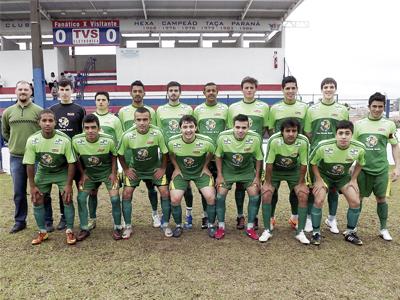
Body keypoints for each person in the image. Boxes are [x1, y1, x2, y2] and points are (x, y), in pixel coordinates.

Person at [23, 109, 77, 245]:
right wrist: (32, 186)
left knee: (67, 198)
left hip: (61, 171)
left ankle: (69, 230)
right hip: (43, 172)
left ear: (55, 123)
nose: (47, 123)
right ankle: (42, 231)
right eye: (44, 121)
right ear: (39, 123)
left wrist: (69, 184)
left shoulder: (64, 139)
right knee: (36, 199)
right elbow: (29, 164)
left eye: (50, 121)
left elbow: (71, 162)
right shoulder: (32, 140)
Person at [304, 78, 349, 234]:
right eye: (325, 87)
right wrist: (319, 146)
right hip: (317, 155)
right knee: (313, 187)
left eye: (331, 87)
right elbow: (308, 132)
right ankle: (309, 218)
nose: (328, 89)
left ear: (335, 89)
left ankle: (331, 219)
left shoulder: (342, 110)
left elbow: (345, 131)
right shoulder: (312, 109)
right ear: (321, 89)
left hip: (336, 155)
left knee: (334, 188)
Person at [118, 107, 171, 239]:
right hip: (136, 170)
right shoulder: (127, 135)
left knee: (165, 192)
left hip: (154, 169)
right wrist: (126, 169)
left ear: (150, 120)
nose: (142, 122)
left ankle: (165, 224)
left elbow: (165, 152)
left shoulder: (158, 133)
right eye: (139, 120)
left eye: (145, 119)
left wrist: (163, 168)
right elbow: (119, 154)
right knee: (126, 194)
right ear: (134, 121)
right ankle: (128, 226)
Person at [309, 120, 365, 245]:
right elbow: (312, 162)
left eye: (347, 133)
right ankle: (316, 233)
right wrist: (318, 180)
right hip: (325, 177)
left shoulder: (359, 148)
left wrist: (354, 179)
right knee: (319, 200)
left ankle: (350, 233)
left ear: (352, 135)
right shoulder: (323, 146)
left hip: (342, 178)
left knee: (355, 201)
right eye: (340, 133)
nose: (344, 136)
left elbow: (360, 163)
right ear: (336, 134)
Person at [354, 92, 400, 241]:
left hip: (381, 169)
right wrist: (351, 165)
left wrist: (397, 167)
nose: (377, 109)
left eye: (380, 106)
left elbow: (394, 146)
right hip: (363, 169)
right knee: (358, 198)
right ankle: (353, 227)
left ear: (383, 107)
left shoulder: (389, 125)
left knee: (381, 199)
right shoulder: (359, 125)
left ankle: (383, 228)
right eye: (374, 106)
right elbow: (352, 147)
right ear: (369, 107)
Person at [227, 76, 269, 230]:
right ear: (242, 89)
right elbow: (230, 129)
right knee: (239, 185)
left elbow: (266, 128)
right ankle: (240, 216)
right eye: (246, 87)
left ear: (255, 89)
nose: (249, 90)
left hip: (254, 152)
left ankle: (254, 216)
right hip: (238, 153)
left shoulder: (264, 107)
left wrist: (253, 142)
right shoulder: (233, 108)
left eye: (252, 87)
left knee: (255, 185)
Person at [267, 75, 308, 231]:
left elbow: (306, 132)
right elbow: (271, 130)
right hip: (277, 158)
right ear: (282, 90)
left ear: (297, 89)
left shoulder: (304, 108)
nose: (290, 91)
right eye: (287, 88)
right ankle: (270, 218)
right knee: (273, 189)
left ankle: (295, 218)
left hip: (297, 157)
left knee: (296, 189)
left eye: (293, 88)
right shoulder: (275, 108)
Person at [118, 80, 161, 228]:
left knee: (151, 187)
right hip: (131, 160)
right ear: (130, 93)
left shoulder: (151, 111)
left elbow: (154, 132)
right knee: (127, 191)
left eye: (140, 91)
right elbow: (122, 136)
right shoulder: (123, 111)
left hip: (149, 159)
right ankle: (126, 220)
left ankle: (155, 214)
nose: (137, 94)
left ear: (144, 93)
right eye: (134, 91)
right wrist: (124, 168)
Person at [73, 114, 122, 241]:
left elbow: (114, 155)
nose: (90, 131)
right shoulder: (76, 140)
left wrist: (113, 173)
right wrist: (82, 173)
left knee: (115, 199)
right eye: (87, 128)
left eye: (93, 127)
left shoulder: (109, 139)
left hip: (107, 173)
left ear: (99, 128)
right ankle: (86, 226)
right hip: (89, 174)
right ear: (83, 128)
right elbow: (76, 158)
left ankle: (117, 227)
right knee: (81, 198)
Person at [1, 80, 42, 233]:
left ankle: (44, 220)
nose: (23, 92)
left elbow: (43, 131)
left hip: (36, 158)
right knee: (19, 192)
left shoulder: (39, 111)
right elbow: (5, 132)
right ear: (16, 92)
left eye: (26, 89)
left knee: (40, 189)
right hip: (16, 157)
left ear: (31, 92)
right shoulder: (8, 112)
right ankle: (20, 221)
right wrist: (14, 143)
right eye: (20, 89)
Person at [260, 118, 310, 244]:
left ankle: (300, 232)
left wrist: (301, 183)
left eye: (294, 131)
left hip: (293, 170)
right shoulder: (275, 141)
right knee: (266, 194)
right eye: (288, 131)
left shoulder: (303, 141)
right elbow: (269, 163)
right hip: (275, 169)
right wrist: (267, 183)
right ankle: (267, 229)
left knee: (303, 194)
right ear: (282, 132)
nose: (291, 134)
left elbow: (304, 164)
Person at [215, 114, 263, 240]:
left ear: (249, 127)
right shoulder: (223, 137)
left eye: (244, 127)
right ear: (233, 126)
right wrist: (219, 175)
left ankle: (250, 227)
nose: (240, 130)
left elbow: (259, 159)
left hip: (246, 171)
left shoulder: (255, 138)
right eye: (237, 127)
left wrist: (257, 177)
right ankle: (220, 227)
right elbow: (218, 156)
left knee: (255, 195)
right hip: (228, 171)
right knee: (220, 196)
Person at [167, 115, 216, 238]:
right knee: (175, 199)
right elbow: (171, 154)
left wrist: (205, 166)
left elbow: (212, 153)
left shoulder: (206, 141)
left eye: (191, 127)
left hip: (200, 173)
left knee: (210, 197)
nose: (188, 130)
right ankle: (179, 225)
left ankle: (210, 225)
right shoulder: (172, 141)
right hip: (182, 173)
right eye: (185, 127)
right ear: (180, 128)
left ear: (196, 128)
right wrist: (177, 168)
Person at [46, 78, 86, 231]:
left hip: (77, 156)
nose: (64, 93)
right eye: (61, 90)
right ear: (57, 91)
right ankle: (64, 217)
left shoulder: (79, 109)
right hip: (60, 158)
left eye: (67, 89)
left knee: (82, 188)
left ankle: (84, 217)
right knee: (63, 189)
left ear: (72, 90)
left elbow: (83, 132)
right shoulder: (53, 109)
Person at [157, 81, 195, 229]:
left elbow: (192, 130)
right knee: (164, 186)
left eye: (176, 90)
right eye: (171, 90)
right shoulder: (160, 110)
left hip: (184, 154)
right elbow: (159, 132)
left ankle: (189, 214)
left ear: (180, 92)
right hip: (167, 155)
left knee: (187, 186)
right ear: (167, 92)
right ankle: (165, 215)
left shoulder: (187, 109)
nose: (173, 93)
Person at [193, 82, 228, 229]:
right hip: (204, 156)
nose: (211, 93)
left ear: (217, 92)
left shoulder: (225, 109)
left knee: (220, 188)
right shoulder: (198, 110)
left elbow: (229, 130)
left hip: (221, 156)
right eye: (208, 91)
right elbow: (195, 132)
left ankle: (220, 218)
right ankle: (205, 215)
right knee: (205, 187)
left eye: (213, 90)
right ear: (204, 93)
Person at [87, 91, 123, 228]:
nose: (101, 102)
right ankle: (92, 219)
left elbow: (119, 140)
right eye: (98, 100)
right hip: (93, 164)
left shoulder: (114, 119)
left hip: (110, 163)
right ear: (95, 102)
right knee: (92, 192)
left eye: (103, 99)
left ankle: (117, 221)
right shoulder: (89, 118)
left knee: (115, 194)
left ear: (108, 102)